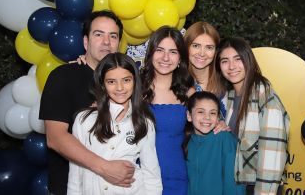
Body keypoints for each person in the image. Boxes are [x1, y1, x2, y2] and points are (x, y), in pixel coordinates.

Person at [40, 11, 135, 195]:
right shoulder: (63, 77)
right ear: (86, 41)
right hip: (70, 188)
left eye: (113, 36)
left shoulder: (127, 83)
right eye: (98, 34)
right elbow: (55, 138)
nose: (106, 42)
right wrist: (105, 168)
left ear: (119, 44)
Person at [67, 53, 162, 194]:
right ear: (102, 84)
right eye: (111, 81)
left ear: (135, 81)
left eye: (126, 80)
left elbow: (151, 174)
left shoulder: (144, 123)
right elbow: (76, 173)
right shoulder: (84, 120)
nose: (120, 88)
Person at [216, 37, 290, 195]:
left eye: (238, 59)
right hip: (234, 185)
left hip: (259, 186)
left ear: (248, 60)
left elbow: (273, 151)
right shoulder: (226, 98)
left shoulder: (264, 95)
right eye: (224, 61)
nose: (231, 66)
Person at [141, 26, 194, 195]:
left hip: (175, 178)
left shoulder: (189, 93)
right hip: (137, 178)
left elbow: (209, 121)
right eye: (160, 50)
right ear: (150, 54)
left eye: (173, 52)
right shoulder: (133, 87)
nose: (165, 57)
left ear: (180, 58)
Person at [184, 91, 246, 195]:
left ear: (218, 118)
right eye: (201, 112)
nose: (207, 117)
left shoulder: (225, 139)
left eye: (212, 113)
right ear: (189, 115)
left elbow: (234, 184)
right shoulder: (188, 142)